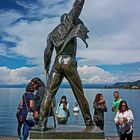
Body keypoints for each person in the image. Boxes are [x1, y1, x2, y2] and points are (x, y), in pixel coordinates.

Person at [37, 0, 93, 131]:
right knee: (79, 93)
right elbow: (77, 5)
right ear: (67, 19)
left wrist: (46, 66)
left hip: (56, 63)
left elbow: (47, 52)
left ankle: (41, 123)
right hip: (68, 61)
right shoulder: (70, 23)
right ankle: (89, 122)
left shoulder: (52, 34)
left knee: (48, 94)